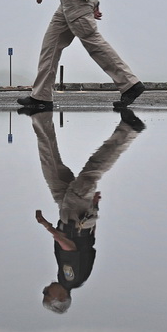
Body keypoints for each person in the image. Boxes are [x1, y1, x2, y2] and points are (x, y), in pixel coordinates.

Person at [28, 107, 144, 314]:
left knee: (50, 165)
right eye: (48, 294)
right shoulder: (70, 278)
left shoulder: (70, 278)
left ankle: (40, 118)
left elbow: (89, 243)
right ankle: (129, 130)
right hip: (75, 217)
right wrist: (46, 226)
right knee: (92, 170)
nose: (45, 289)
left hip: (71, 214)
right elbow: (70, 246)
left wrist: (94, 207)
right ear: (61, 297)